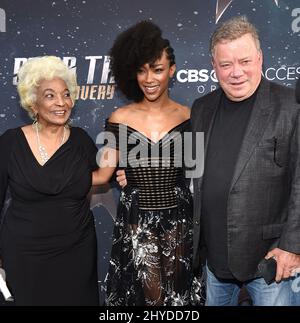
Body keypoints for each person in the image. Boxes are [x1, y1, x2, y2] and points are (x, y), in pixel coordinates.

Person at [92, 21, 204, 306]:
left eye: (156, 69)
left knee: (179, 298)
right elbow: (102, 173)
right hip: (137, 219)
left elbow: (198, 173)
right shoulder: (118, 119)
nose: (149, 78)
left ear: (172, 70)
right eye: (141, 70)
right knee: (150, 297)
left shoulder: (190, 116)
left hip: (179, 218)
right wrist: (48, 176)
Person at [191, 16, 300, 306]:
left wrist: (292, 246)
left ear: (260, 59)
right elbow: (192, 168)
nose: (236, 72)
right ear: (214, 66)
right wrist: (138, 173)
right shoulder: (201, 109)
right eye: (226, 64)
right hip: (214, 263)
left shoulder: (291, 106)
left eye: (245, 61)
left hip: (270, 263)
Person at [0, 56, 99, 305]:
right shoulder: (10, 142)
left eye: (65, 94)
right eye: (50, 95)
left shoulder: (81, 141)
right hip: (24, 256)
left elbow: (101, 176)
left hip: (76, 254)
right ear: (33, 104)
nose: (61, 103)